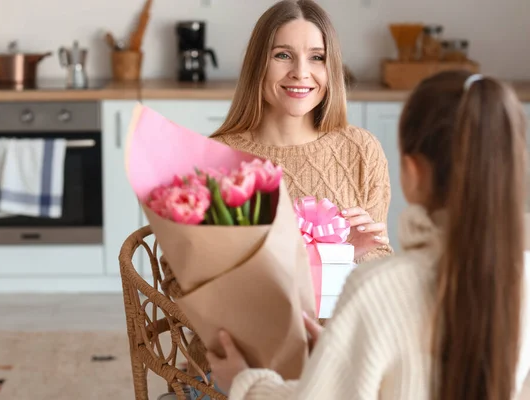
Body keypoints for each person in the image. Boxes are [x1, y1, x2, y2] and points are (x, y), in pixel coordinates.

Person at [206, 71, 530, 400]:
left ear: (412, 171)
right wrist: (338, 352)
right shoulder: (524, 275)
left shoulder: (378, 288)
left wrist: (246, 383)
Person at [210, 0, 391, 263]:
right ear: (257, 63)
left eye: (317, 57)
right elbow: (181, 276)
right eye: (283, 55)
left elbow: (379, 259)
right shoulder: (214, 158)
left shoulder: (362, 149)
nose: (301, 73)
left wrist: (350, 254)